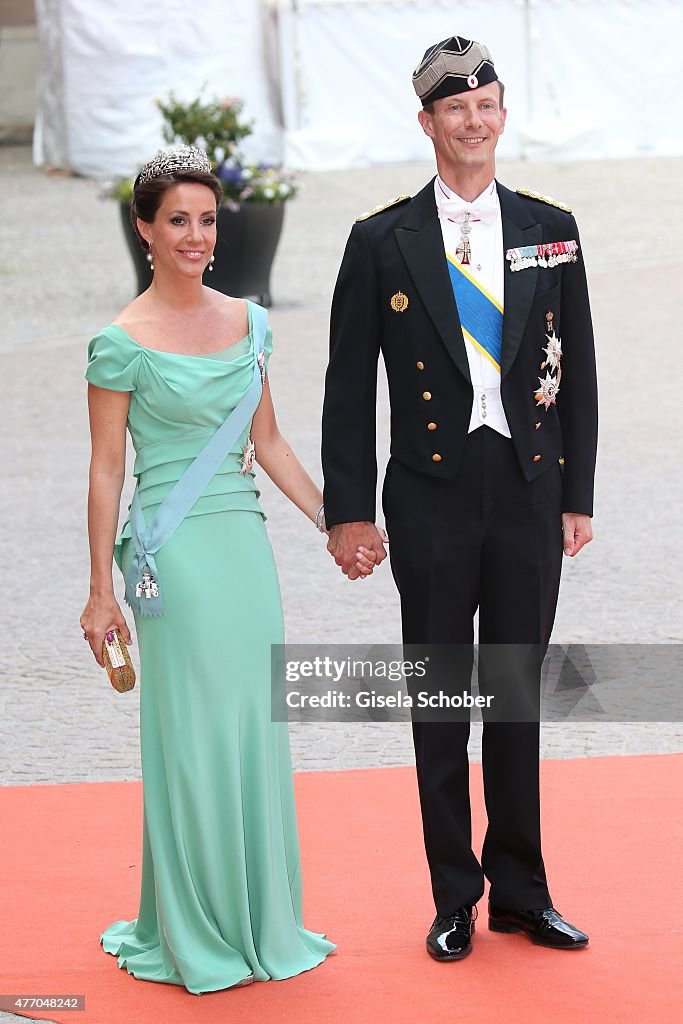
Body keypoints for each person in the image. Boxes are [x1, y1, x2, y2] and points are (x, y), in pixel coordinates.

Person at [322, 37, 597, 959]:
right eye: (454, 109)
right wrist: (349, 511)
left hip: (526, 492)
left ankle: (521, 889)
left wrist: (577, 491)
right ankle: (452, 896)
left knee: (514, 699)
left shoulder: (550, 227)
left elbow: (581, 373)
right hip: (431, 498)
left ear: (502, 114)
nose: (472, 122)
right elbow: (346, 386)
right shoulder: (379, 240)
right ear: (427, 121)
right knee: (440, 703)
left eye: (486, 105)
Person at [80, 144, 373, 993]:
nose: (196, 236)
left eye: (207, 220)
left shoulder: (249, 322)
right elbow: (105, 469)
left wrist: (333, 521)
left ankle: (257, 917)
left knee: (250, 727)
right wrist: (101, 590)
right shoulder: (119, 343)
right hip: (171, 558)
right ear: (143, 229)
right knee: (194, 736)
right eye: (177, 220)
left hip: (242, 550)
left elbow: (267, 441)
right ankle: (194, 927)